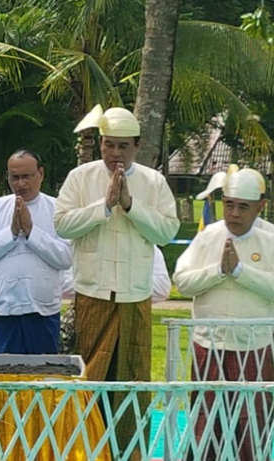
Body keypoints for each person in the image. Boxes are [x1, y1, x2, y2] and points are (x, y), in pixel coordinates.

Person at [54, 104, 179, 455]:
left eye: (123, 146)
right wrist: (104, 207)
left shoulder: (154, 182)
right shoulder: (81, 177)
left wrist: (130, 205)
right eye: (109, 144)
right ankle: (82, 452)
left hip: (134, 299)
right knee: (87, 381)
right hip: (91, 295)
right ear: (100, 144)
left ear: (137, 146)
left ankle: (127, 453)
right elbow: (62, 224)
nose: (115, 153)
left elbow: (167, 232)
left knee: (131, 384)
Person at [174, 166, 274, 461]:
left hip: (253, 348)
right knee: (205, 428)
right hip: (209, 346)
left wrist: (241, 271)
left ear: (261, 206)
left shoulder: (270, 239)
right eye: (229, 204)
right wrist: (219, 270)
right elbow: (182, 281)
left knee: (251, 429)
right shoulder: (209, 237)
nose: (234, 214)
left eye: (243, 207)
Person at [0, 149, 72, 354]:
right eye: (15, 177)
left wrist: (31, 232)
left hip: (43, 313)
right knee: (1, 380)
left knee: (42, 380)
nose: (21, 184)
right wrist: (10, 233)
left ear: (41, 174)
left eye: (26, 177)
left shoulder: (57, 209)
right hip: (3, 313)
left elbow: (66, 257)